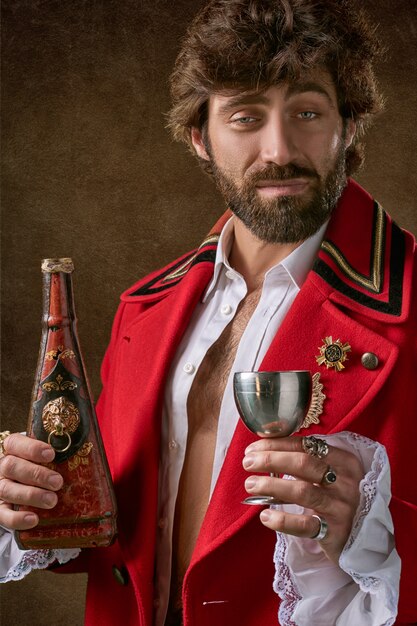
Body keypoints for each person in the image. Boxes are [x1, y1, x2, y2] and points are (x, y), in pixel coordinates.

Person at [0, 1, 416, 625]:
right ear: (200, 137)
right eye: (246, 117)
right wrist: (34, 501)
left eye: (307, 112)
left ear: (349, 125)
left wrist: (371, 529)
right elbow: (115, 534)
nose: (279, 150)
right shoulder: (146, 308)